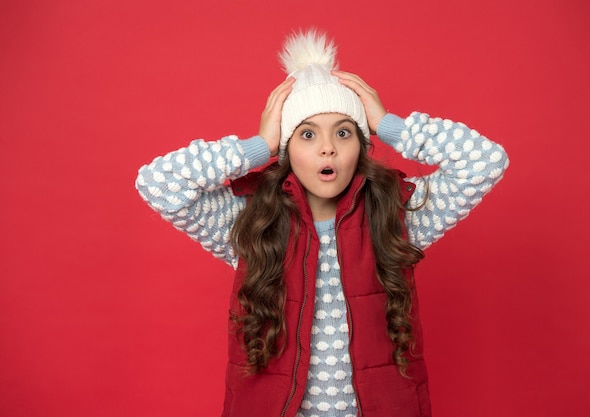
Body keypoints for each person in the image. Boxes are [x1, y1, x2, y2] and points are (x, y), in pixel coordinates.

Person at [136, 29, 509, 417]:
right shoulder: (251, 223)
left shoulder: (395, 216)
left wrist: (389, 124)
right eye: (308, 134)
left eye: (344, 133)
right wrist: (259, 146)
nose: (327, 147)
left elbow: (484, 161)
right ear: (288, 149)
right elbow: (159, 183)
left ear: (361, 147)